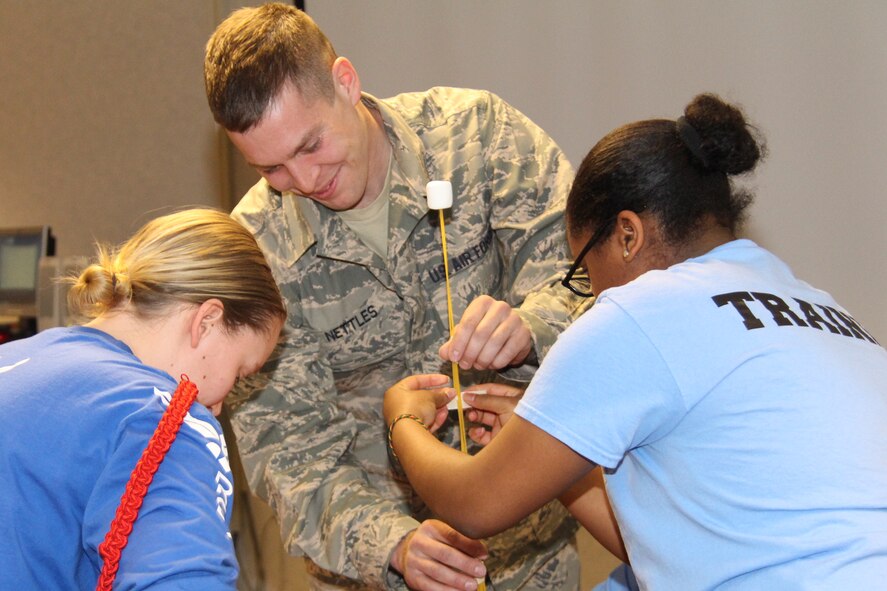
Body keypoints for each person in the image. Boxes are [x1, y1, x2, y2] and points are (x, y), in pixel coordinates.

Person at [384, 93, 887, 588]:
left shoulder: (640, 312)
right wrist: (556, 450)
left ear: (627, 235)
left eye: (583, 271)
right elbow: (669, 551)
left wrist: (402, 418)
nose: (591, 293)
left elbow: (475, 503)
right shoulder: (825, 309)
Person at [204, 4, 588, 590]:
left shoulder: (478, 139)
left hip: (528, 556)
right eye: (271, 169)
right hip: (381, 573)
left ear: (345, 82)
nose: (305, 182)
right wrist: (396, 544)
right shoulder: (258, 251)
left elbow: (586, 277)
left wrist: (532, 326)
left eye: (310, 146)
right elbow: (291, 454)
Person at [0, 209, 287, 590]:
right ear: (208, 321)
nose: (218, 407)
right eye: (238, 375)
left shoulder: (17, 358)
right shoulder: (161, 417)